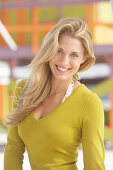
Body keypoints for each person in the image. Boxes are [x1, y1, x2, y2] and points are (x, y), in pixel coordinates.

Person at [4, 17, 105, 170]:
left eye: (74, 55)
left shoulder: (89, 103)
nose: (64, 61)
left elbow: (94, 166)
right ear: (49, 49)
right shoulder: (24, 89)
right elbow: (13, 148)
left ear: (84, 58)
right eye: (59, 51)